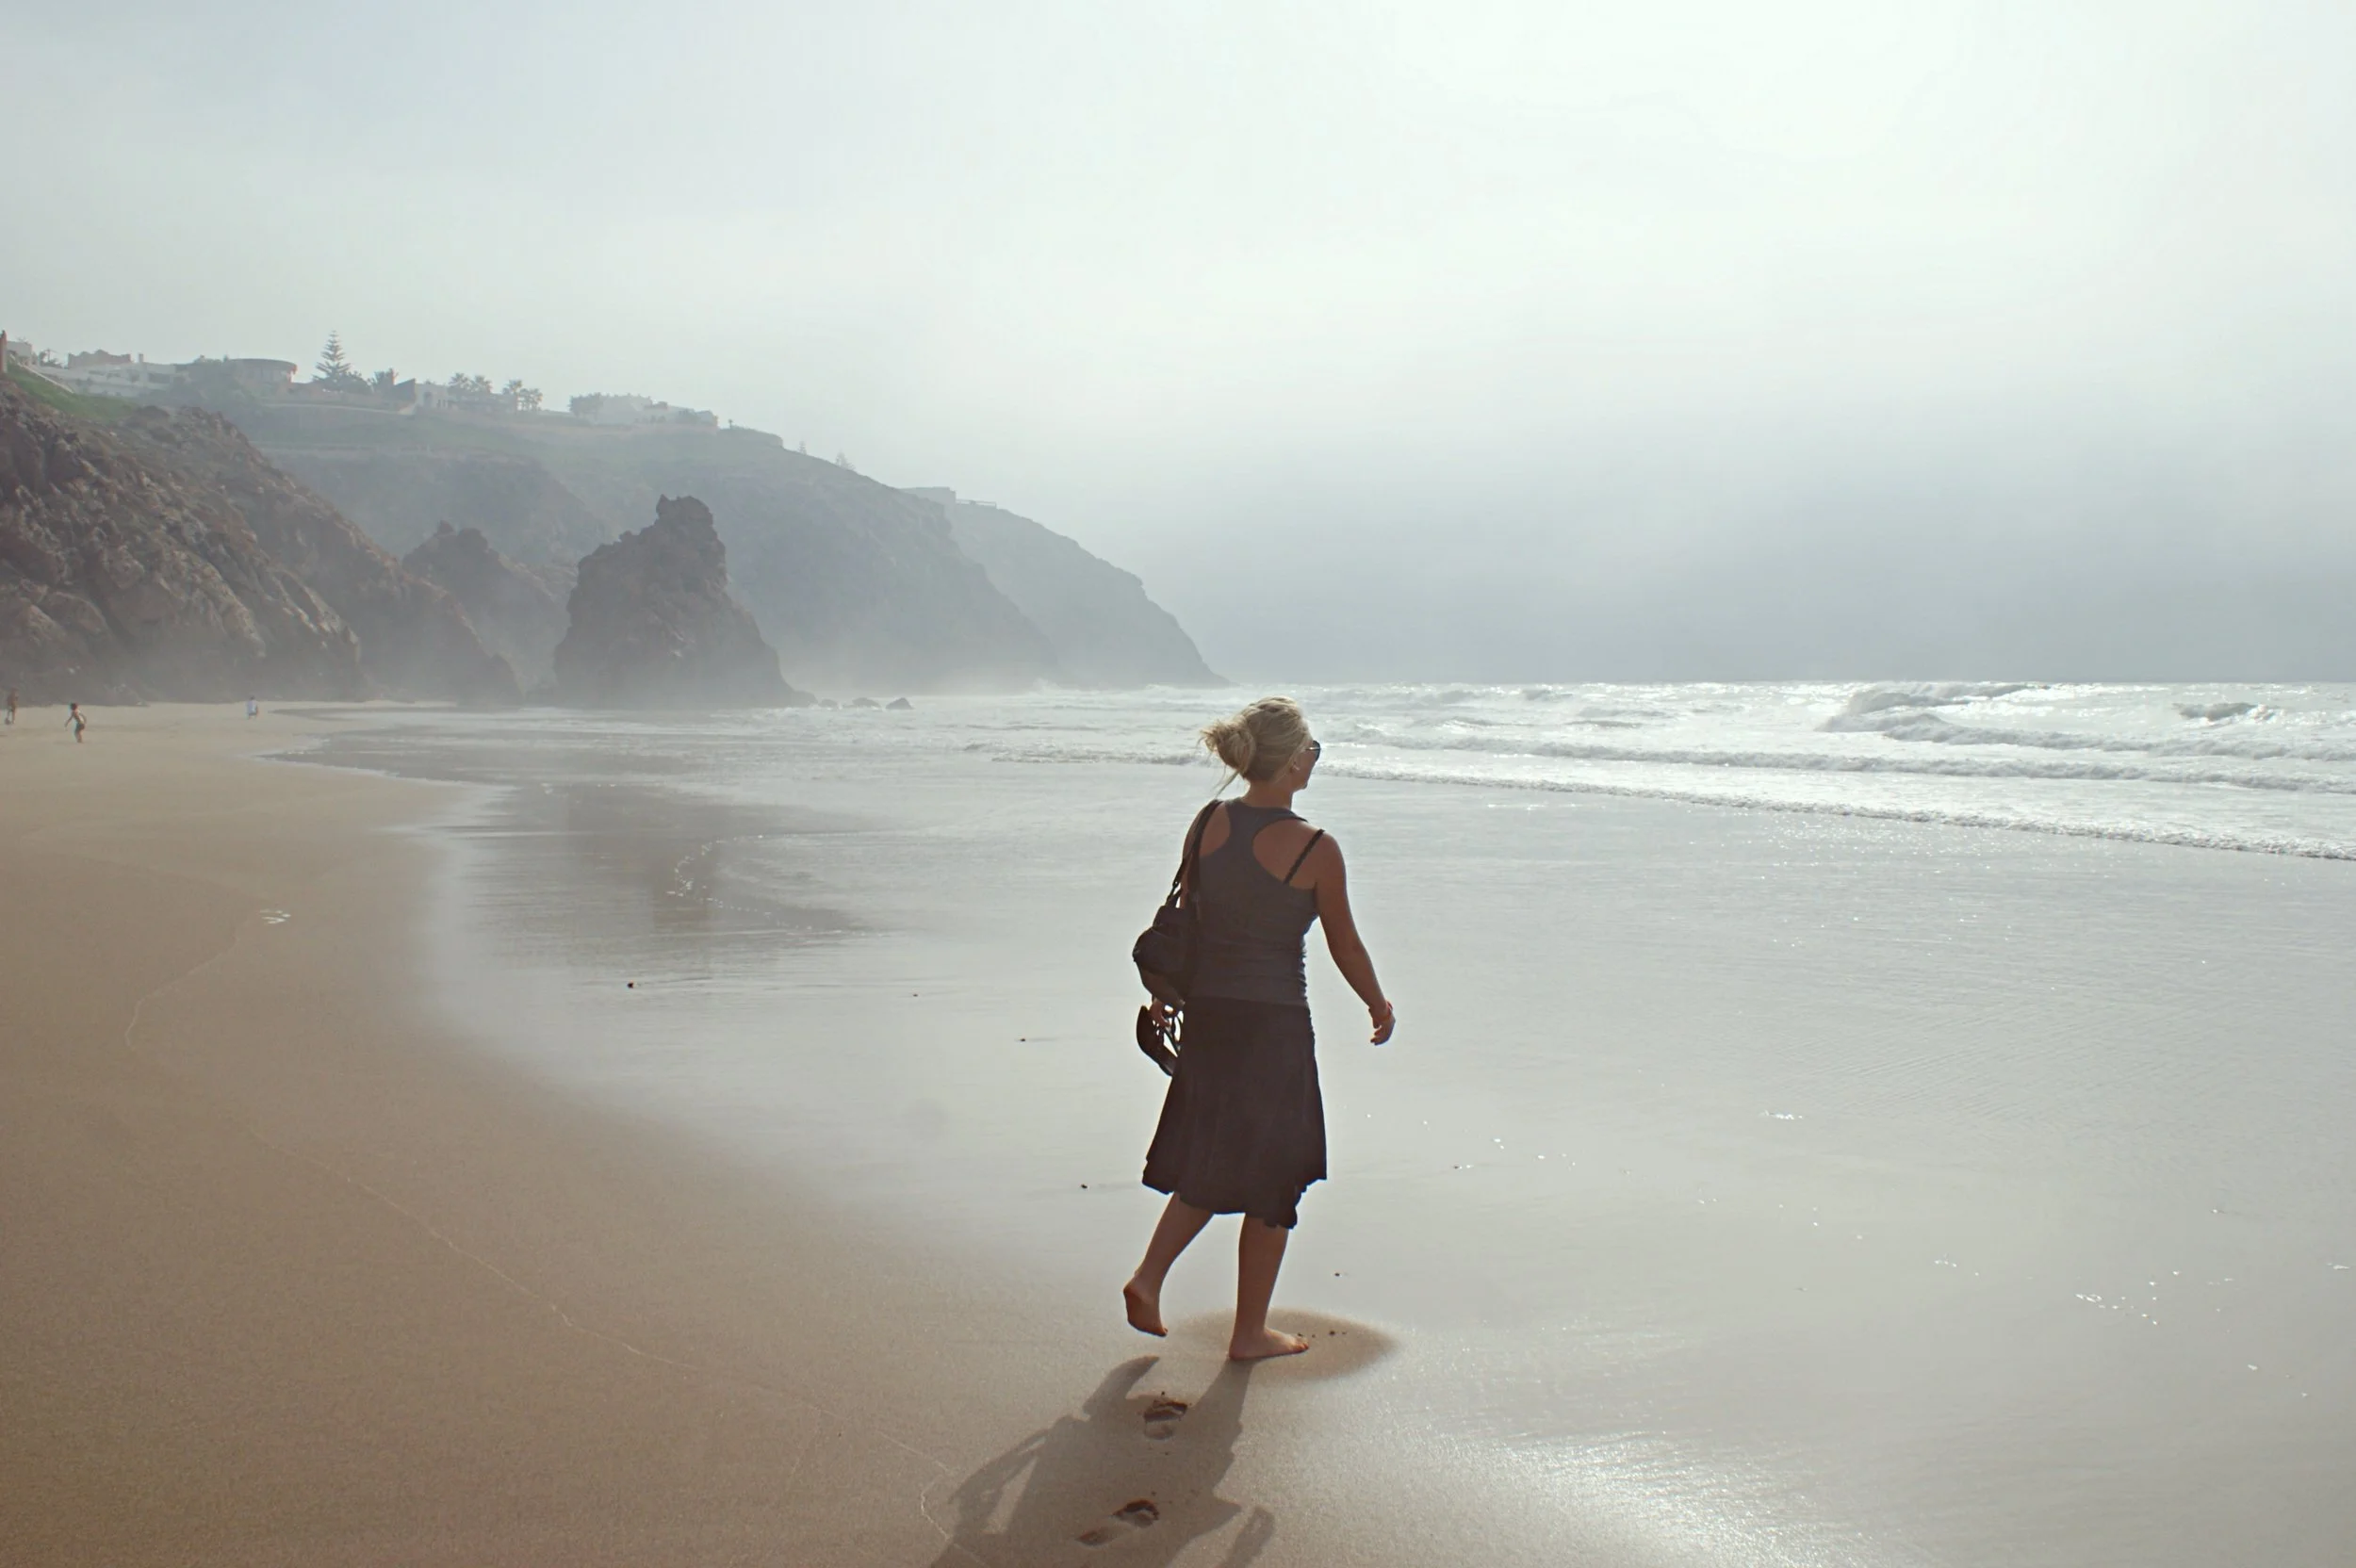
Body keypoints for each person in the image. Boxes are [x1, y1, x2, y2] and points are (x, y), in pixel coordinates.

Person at [1124, 696, 1395, 1361]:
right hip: (1272, 1028)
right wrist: (1377, 1004)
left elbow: (1186, 921)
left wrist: (1168, 997)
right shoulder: (1315, 848)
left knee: (1210, 1161)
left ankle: (1149, 1277)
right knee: (1275, 1181)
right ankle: (1248, 1333)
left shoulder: (1208, 823)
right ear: (1293, 758)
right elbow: (1346, 946)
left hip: (1211, 1019)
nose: (1314, 761)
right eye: (1312, 750)